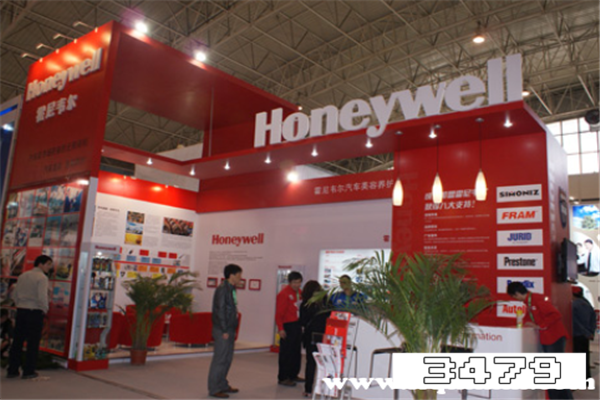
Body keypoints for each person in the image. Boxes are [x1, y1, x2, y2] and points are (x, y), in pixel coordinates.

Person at [507, 281, 573, 400]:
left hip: (554, 337)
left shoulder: (536, 299)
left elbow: (555, 315)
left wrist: (540, 325)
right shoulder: (529, 302)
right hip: (548, 338)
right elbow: (529, 318)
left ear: (517, 293)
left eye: (514, 297)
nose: (515, 299)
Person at [7, 255, 53, 379]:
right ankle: (28, 370)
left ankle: (12, 369)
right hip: (35, 311)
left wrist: (19, 304)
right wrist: (44, 309)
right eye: (48, 264)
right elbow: (42, 296)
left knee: (17, 341)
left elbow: (15, 294)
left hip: (21, 310)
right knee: (33, 342)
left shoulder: (23, 275)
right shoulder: (42, 278)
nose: (49, 267)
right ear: (41, 264)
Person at [208, 264, 243, 399]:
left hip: (229, 328)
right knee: (220, 359)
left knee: (227, 359)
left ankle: (222, 384)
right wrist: (224, 329)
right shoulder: (222, 289)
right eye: (239, 275)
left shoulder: (231, 288)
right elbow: (220, 310)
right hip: (223, 329)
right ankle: (214, 388)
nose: (240, 278)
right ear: (232, 275)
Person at [300, 280, 331, 398]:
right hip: (324, 335)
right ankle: (326, 389)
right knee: (327, 362)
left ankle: (308, 389)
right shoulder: (326, 302)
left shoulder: (305, 304)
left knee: (311, 362)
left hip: (310, 335)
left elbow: (302, 321)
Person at [275, 271, 303, 387]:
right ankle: (283, 377)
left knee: (296, 351)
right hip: (288, 325)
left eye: (299, 282)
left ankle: (293, 374)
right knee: (286, 353)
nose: (297, 285)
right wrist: (280, 328)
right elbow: (279, 313)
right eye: (294, 282)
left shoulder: (300, 293)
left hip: (297, 324)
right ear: (289, 282)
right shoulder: (284, 294)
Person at [572, 285, 596, 379]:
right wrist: (590, 333)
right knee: (585, 356)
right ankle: (586, 377)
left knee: (578, 357)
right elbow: (593, 319)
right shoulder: (587, 304)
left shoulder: (574, 305)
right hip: (586, 335)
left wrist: (585, 332)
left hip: (578, 335)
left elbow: (575, 322)